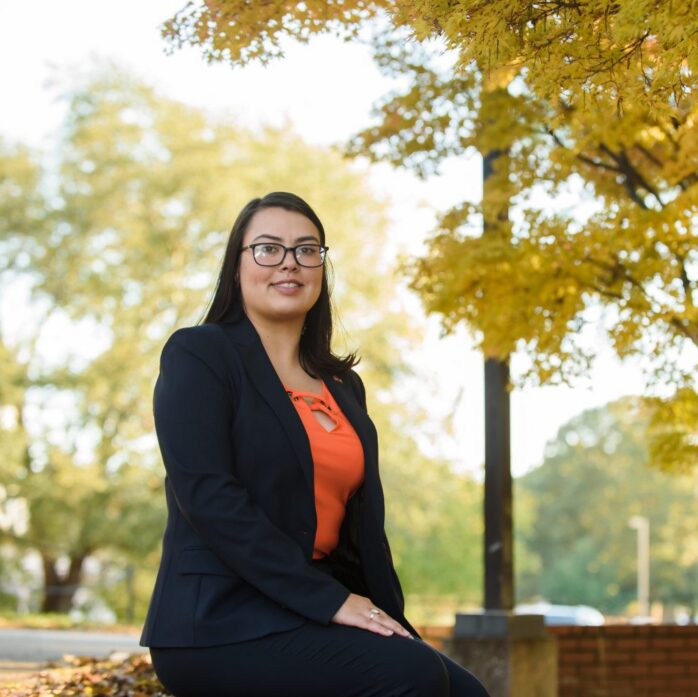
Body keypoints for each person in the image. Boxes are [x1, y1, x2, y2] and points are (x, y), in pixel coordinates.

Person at [140, 192, 488, 696]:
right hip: (219, 617)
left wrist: (395, 625)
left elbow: (362, 535)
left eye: (307, 250)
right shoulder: (200, 354)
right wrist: (329, 602)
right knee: (412, 679)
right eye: (268, 248)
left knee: (462, 690)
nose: (289, 262)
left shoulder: (342, 386)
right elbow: (209, 498)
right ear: (236, 266)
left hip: (309, 606)